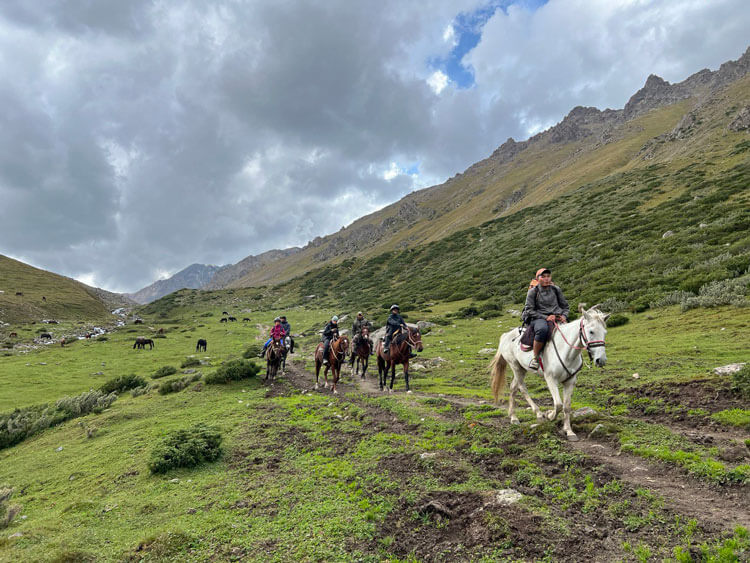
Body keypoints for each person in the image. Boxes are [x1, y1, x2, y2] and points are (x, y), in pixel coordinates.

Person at [525, 268, 569, 370]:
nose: (546, 279)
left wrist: (564, 316)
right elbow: (529, 310)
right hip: (538, 317)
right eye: (543, 277)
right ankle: (535, 359)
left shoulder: (556, 289)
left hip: (557, 316)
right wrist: (546, 317)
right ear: (538, 279)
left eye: (548, 276)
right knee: (542, 329)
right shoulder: (533, 292)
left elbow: (565, 307)